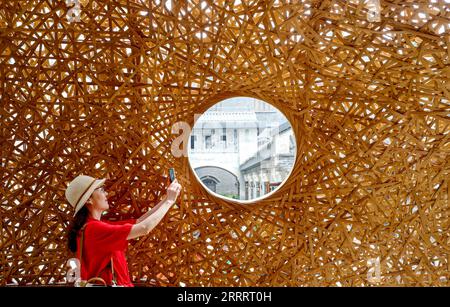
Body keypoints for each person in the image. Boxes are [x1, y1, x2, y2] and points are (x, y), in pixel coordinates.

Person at [65, 174, 181, 287]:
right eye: (101, 190)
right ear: (89, 200)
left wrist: (167, 198)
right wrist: (169, 201)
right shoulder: (94, 229)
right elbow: (144, 228)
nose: (106, 193)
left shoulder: (91, 227)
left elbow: (140, 221)